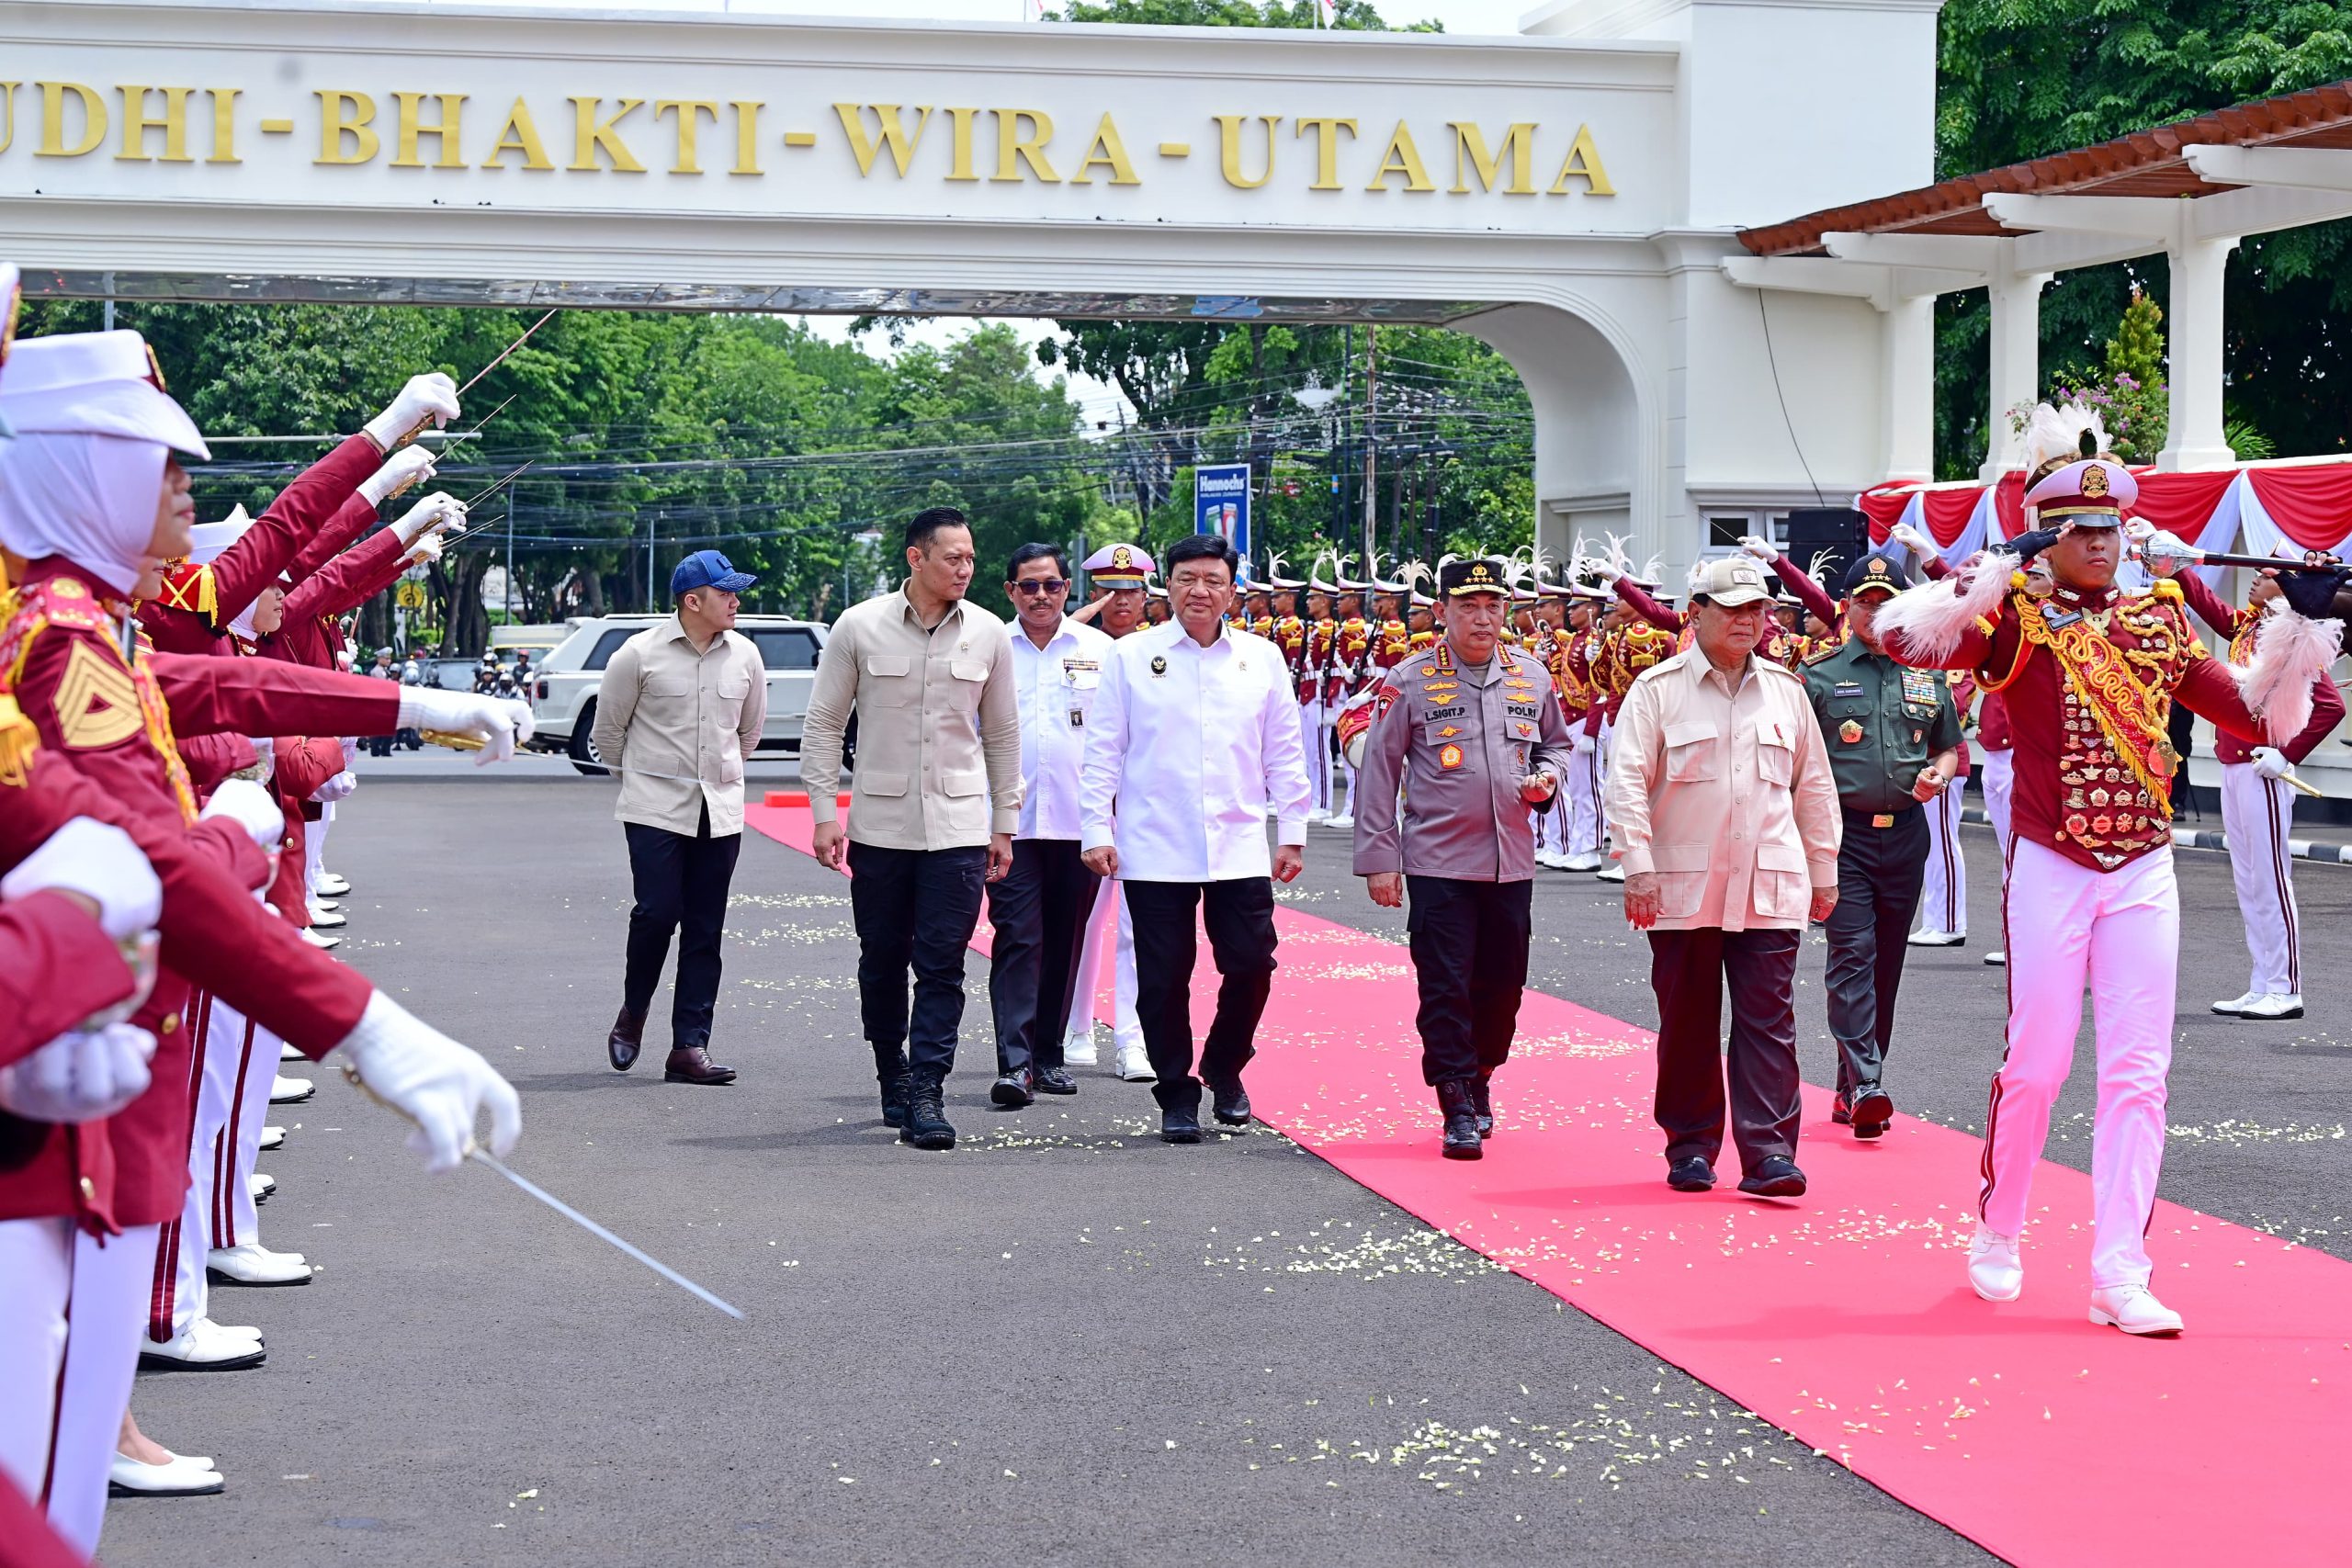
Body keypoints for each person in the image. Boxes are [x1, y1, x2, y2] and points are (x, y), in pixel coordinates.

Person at [1874, 421, 2337, 1335]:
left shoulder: (2158, 620)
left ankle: (2120, 1267)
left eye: (2109, 525)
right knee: (2039, 1063)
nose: (2100, 540)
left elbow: (2259, 715)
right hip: (2050, 861)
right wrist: (1989, 572)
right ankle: (1999, 1228)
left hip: (2141, 867)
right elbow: (1905, 643)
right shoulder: (2017, 625)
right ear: (2045, 534)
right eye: (2078, 527)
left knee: (2139, 1072)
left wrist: (2299, 627)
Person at [1607, 555, 1841, 1199]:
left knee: (1769, 1020)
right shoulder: (1658, 689)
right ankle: (1690, 1145)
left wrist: (1823, 870)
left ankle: (1769, 1154)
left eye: (1758, 609)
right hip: (1683, 885)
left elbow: (1813, 787)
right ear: (1696, 613)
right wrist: (1638, 868)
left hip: (1770, 882)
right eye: (1733, 608)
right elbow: (1625, 781)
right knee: (1689, 1022)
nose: (1748, 620)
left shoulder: (1788, 693)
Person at [799, 506, 1022, 1151]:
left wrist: (1003, 823)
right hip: (880, 826)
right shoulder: (859, 627)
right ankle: (890, 1070)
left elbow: (1003, 733)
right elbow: (823, 725)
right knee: (881, 960)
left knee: (944, 965)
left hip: (957, 826)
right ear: (915, 558)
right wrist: (823, 812)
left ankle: (928, 1088)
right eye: (953, 557)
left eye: (971, 558)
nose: (966, 569)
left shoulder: (986, 634)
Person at [1079, 532, 1309, 1145]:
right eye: (1186, 578)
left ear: (1232, 589)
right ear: (1168, 587)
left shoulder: (1260, 659)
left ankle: (1225, 1065)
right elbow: (1103, 751)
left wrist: (1292, 830)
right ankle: (1176, 1091)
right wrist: (1096, 828)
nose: (1199, 590)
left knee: (1252, 963)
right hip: (1154, 845)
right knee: (1161, 977)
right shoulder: (1131, 658)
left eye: (1212, 579)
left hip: (1237, 845)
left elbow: (1285, 751)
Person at [1352, 557, 1573, 1157]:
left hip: (1511, 863)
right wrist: (1380, 858)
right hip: (1437, 862)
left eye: (1493, 606)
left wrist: (1548, 776)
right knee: (1445, 985)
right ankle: (1455, 1097)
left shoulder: (1530, 675)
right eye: (1468, 607)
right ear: (1442, 611)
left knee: (1502, 986)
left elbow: (1557, 743)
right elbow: (1380, 768)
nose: (1482, 618)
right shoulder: (1412, 678)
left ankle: (1481, 1075)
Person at [1797, 553, 1963, 1141]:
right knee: (1852, 956)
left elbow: (1948, 746)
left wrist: (1939, 776)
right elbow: (1797, 761)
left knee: (1887, 961)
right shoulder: (1816, 676)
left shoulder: (1927, 671)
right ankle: (1868, 1080)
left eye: (1886, 602)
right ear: (1847, 607)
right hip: (1843, 836)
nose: (1875, 611)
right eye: (1866, 601)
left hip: (1906, 835)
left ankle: (1853, 1085)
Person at [589, 549, 769, 1088]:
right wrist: (647, 780)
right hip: (654, 809)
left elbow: (750, 733)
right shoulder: (637, 655)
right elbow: (608, 734)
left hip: (721, 810)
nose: (736, 601)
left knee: (705, 929)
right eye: (726, 592)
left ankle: (690, 1046)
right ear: (693, 601)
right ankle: (634, 1012)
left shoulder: (746, 657)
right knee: (656, 913)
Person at [2162, 558, 2344, 1021]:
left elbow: (2330, 706)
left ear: (2284, 592)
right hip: (2234, 764)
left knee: (2271, 880)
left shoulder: (2290, 639)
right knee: (2247, 881)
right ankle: (2263, 980)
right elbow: (2208, 606)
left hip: (2264, 767)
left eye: (2264, 577)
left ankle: (2285, 987)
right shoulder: (2252, 628)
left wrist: (2287, 753)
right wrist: (2176, 566)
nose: (2256, 582)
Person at [987, 542, 1113, 1107]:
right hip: (1007, 823)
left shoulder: (1101, 650)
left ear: (1068, 589)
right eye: (1029, 585)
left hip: (1078, 822)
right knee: (1017, 937)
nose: (1041, 595)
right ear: (1011, 591)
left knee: (1065, 939)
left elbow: (1117, 739)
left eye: (1053, 585)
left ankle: (1049, 1055)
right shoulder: (989, 647)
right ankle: (1014, 1063)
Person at [1060, 542, 1155, 1081]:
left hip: (1141, 806)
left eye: (1132, 590)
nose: (1122, 600)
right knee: (1084, 924)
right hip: (1086, 805)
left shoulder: (1158, 651)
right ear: (1092, 593)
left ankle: (1132, 1038)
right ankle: (1075, 1028)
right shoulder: (1073, 643)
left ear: (1146, 595)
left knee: (1137, 928)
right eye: (1109, 590)